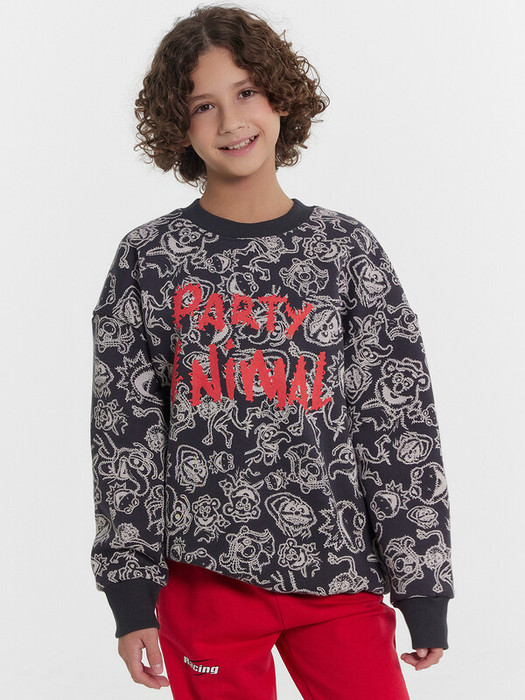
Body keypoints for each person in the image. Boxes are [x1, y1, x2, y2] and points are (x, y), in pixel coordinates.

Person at [89, 4, 454, 698]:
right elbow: (125, 433)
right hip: (205, 579)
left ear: (280, 97)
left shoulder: (345, 250)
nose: (230, 121)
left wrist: (421, 584)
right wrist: (130, 596)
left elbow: (396, 418)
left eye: (246, 92)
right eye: (203, 105)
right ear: (179, 125)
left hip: (339, 571)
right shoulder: (150, 258)